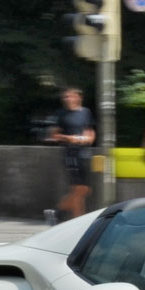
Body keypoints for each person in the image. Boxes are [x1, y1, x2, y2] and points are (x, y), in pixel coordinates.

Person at [46, 87, 95, 221]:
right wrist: (68, 138)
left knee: (84, 190)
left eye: (71, 96)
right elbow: (54, 135)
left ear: (79, 97)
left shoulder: (86, 112)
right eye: (65, 97)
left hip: (84, 153)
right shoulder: (60, 114)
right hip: (70, 154)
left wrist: (88, 138)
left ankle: (57, 213)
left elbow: (89, 131)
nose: (68, 99)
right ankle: (79, 221)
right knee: (78, 189)